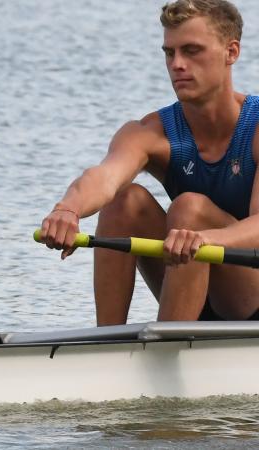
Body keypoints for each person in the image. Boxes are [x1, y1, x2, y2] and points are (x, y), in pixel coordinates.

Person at [37, 0, 259, 325]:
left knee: (189, 210)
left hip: (249, 293)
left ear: (231, 52)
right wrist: (67, 209)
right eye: (170, 53)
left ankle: (165, 348)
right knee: (123, 201)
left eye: (192, 50)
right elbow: (105, 178)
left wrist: (207, 239)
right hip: (189, 271)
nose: (178, 64)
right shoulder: (151, 132)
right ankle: (107, 345)